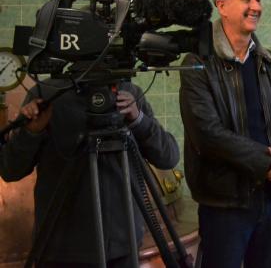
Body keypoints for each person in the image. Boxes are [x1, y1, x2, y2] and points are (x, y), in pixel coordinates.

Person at [179, 0, 271, 268]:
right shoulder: (198, 63)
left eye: (258, 0)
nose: (255, 6)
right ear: (222, 6)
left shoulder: (270, 62)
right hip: (225, 204)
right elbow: (207, 134)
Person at [0, 81, 180, 267]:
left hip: (122, 246)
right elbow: (10, 170)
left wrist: (138, 119)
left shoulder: (128, 94)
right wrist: (31, 133)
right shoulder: (47, 96)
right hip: (60, 247)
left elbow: (168, 157)